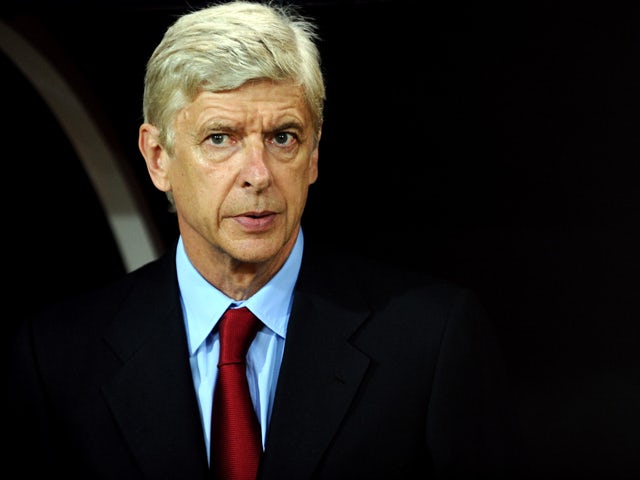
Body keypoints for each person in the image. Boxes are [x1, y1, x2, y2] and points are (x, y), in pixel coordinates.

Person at [7, 1, 519, 478]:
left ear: (314, 155)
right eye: (220, 138)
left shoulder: (430, 341)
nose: (258, 173)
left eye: (283, 138)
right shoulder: (55, 357)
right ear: (158, 157)